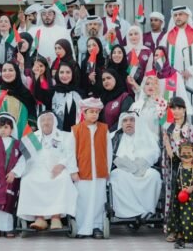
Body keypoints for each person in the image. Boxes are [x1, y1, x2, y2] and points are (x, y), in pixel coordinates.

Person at [16, 111, 78, 230]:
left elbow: (70, 154)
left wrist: (61, 165)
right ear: (39, 123)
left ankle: (56, 218)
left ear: (54, 121)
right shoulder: (32, 138)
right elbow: (24, 158)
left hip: (58, 169)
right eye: (43, 120)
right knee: (27, 181)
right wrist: (15, 172)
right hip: (36, 169)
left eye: (49, 119)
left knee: (63, 179)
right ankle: (39, 218)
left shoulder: (65, 136)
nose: (46, 122)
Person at [71, 97, 112, 238]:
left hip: (100, 171)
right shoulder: (76, 130)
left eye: (97, 112)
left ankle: (96, 227)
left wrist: (107, 170)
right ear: (84, 112)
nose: (94, 114)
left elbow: (109, 152)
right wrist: (73, 171)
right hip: (83, 172)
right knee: (82, 200)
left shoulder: (104, 129)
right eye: (91, 112)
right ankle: (82, 227)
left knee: (99, 199)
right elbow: (70, 153)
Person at [110, 111, 162, 220]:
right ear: (121, 124)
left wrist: (142, 163)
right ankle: (128, 212)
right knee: (116, 175)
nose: (128, 123)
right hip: (122, 169)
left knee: (153, 175)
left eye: (132, 120)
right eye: (125, 121)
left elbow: (154, 153)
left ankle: (147, 211)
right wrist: (124, 164)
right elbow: (110, 155)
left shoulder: (147, 135)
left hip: (143, 168)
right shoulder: (114, 137)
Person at [158, 6, 193, 115]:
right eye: (175, 15)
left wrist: (191, 70)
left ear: (187, 16)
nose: (178, 17)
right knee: (173, 106)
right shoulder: (166, 36)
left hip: (192, 78)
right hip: (172, 78)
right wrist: (170, 72)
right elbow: (160, 56)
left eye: (180, 14)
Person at [161, 97, 193, 241]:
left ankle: (185, 230)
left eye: (179, 108)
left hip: (187, 167)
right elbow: (165, 149)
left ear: (184, 110)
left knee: (186, 199)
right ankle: (172, 230)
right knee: (172, 200)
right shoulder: (167, 127)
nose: (176, 111)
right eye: (173, 108)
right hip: (173, 167)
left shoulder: (190, 128)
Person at [166, 139, 193, 250]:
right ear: (179, 154)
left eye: (189, 153)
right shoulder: (177, 166)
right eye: (183, 153)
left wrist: (192, 188)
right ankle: (180, 240)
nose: (186, 155)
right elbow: (170, 153)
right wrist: (166, 141)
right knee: (179, 219)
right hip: (178, 201)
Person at [51, 61, 84, 132]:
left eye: (68, 72)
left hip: (75, 133)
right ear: (57, 74)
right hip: (57, 134)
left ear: (73, 74)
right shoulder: (52, 91)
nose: (64, 75)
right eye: (61, 72)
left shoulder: (79, 93)